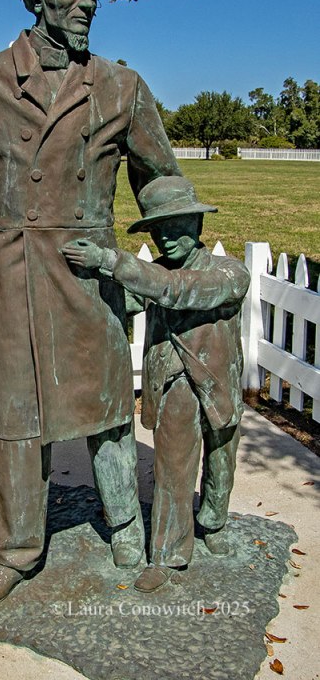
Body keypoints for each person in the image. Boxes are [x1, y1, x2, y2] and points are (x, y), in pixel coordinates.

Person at [0, 0, 182, 614]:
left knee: (108, 407)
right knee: (16, 413)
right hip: (16, 272)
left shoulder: (121, 86)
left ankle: (125, 528)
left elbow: (160, 176)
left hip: (90, 270)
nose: (88, 4)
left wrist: (177, 255)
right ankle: (18, 552)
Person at [62, 176, 251, 593]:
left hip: (219, 385)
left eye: (175, 226)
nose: (165, 237)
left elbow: (177, 292)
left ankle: (214, 520)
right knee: (172, 469)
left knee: (221, 463)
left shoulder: (229, 273)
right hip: (174, 382)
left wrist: (111, 261)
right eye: (157, 229)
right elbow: (121, 302)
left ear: (197, 225)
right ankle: (168, 554)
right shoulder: (155, 273)